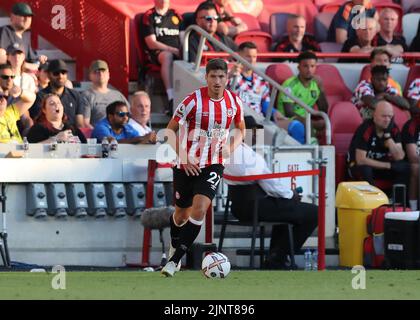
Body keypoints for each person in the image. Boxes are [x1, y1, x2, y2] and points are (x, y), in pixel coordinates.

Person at [161, 58, 245, 277]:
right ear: (206, 77)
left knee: (200, 209)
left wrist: (232, 145)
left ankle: (174, 261)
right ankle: (174, 244)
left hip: (213, 164)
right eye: (213, 76)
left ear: (227, 78)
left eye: (221, 76)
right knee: (181, 214)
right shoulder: (192, 101)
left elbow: (241, 129)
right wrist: (184, 157)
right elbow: (169, 131)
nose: (217, 81)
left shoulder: (234, 102)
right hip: (185, 164)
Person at [224, 116, 318, 269]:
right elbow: (271, 186)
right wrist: (291, 194)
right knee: (314, 212)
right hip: (255, 207)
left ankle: (276, 256)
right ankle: (277, 257)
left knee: (284, 206)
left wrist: (286, 195)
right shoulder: (251, 157)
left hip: (237, 208)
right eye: (254, 132)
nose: (256, 135)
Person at [227, 41, 304, 143]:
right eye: (248, 56)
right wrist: (229, 76)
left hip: (260, 119)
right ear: (239, 56)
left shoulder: (261, 80)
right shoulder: (231, 78)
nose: (252, 60)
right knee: (252, 126)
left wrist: (276, 114)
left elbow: (265, 106)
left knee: (297, 126)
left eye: (254, 57)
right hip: (239, 120)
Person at [347, 100, 410, 191]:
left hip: (379, 166)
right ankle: (373, 200)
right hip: (357, 166)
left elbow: (400, 157)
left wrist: (389, 138)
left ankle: (396, 201)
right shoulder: (365, 129)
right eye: (384, 116)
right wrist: (388, 165)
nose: (387, 120)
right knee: (366, 170)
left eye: (390, 117)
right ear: (374, 115)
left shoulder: (393, 129)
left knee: (405, 167)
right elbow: (361, 160)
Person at [277, 51, 328, 144]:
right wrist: (311, 123)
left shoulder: (316, 84)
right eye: (305, 66)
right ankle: (314, 147)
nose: (309, 70)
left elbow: (324, 109)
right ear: (299, 67)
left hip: (306, 121)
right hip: (285, 121)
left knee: (326, 122)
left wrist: (321, 89)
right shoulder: (290, 85)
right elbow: (289, 113)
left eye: (312, 66)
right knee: (306, 123)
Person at [141, 0, 182, 114]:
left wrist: (184, 51)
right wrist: (173, 50)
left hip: (178, 51)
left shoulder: (176, 15)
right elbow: (151, 43)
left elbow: (183, 37)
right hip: (158, 53)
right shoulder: (149, 15)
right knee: (167, 56)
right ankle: (171, 98)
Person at [31, 59, 86, 127]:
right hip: (48, 135)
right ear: (48, 75)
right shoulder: (40, 96)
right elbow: (39, 121)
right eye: (56, 73)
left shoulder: (76, 95)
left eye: (63, 72)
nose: (60, 76)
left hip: (71, 135)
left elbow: (80, 124)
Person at [82, 60, 129, 128]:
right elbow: (85, 124)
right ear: (90, 76)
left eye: (103, 71)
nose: (100, 74)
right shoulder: (86, 96)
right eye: (96, 72)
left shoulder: (118, 95)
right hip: (99, 136)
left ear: (108, 74)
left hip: (121, 135)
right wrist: (101, 133)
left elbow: (129, 117)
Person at [0, 2, 47, 67]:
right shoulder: (5, 31)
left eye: (29, 16)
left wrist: (39, 59)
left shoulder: (25, 38)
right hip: (9, 75)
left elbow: (31, 59)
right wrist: (25, 66)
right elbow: (1, 58)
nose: (27, 19)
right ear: (12, 17)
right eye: (23, 16)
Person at [91, 101, 157, 144]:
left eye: (127, 114)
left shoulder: (127, 127)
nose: (126, 117)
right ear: (111, 117)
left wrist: (150, 139)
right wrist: (142, 138)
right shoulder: (101, 127)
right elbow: (112, 143)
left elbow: (138, 140)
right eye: (121, 114)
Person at [0, 78, 36, 143]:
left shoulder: (9, 112)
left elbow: (31, 99)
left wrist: (21, 92)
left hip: (20, 151)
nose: (1, 100)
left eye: (2, 96)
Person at [402, 108, 420, 210]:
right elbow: (413, 157)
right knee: (416, 168)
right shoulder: (412, 126)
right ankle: (414, 208)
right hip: (412, 162)